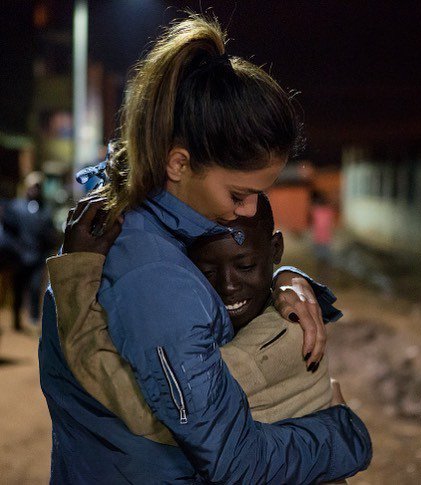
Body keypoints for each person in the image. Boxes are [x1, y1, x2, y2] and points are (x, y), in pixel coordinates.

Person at [39, 15, 371, 483]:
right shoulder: (154, 277)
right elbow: (233, 460)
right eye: (238, 195)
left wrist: (280, 276)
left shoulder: (152, 227)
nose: (248, 210)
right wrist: (344, 438)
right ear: (179, 163)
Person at [2, 172, 58, 331]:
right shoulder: (16, 207)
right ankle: (16, 320)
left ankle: (33, 319)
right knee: (18, 289)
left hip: (38, 257)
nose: (35, 190)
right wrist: (15, 249)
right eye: (33, 186)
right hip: (19, 257)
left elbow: (50, 234)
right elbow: (8, 231)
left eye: (38, 187)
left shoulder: (45, 210)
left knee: (35, 288)